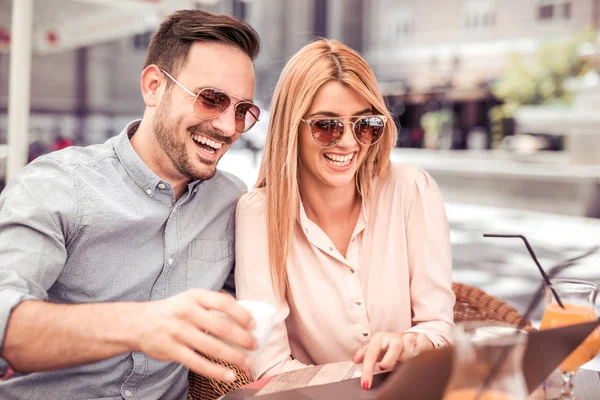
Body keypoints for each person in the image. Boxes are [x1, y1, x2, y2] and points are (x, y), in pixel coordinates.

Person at [0, 9, 262, 399]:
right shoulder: (57, 184)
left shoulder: (231, 200)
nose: (227, 127)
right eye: (211, 99)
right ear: (154, 86)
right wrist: (140, 323)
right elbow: (5, 324)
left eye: (242, 111)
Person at [235, 39, 455, 390]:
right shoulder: (258, 215)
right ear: (292, 127)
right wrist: (369, 380)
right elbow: (269, 364)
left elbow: (438, 326)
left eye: (365, 124)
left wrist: (412, 344)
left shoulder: (412, 189)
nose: (350, 143)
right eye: (327, 126)